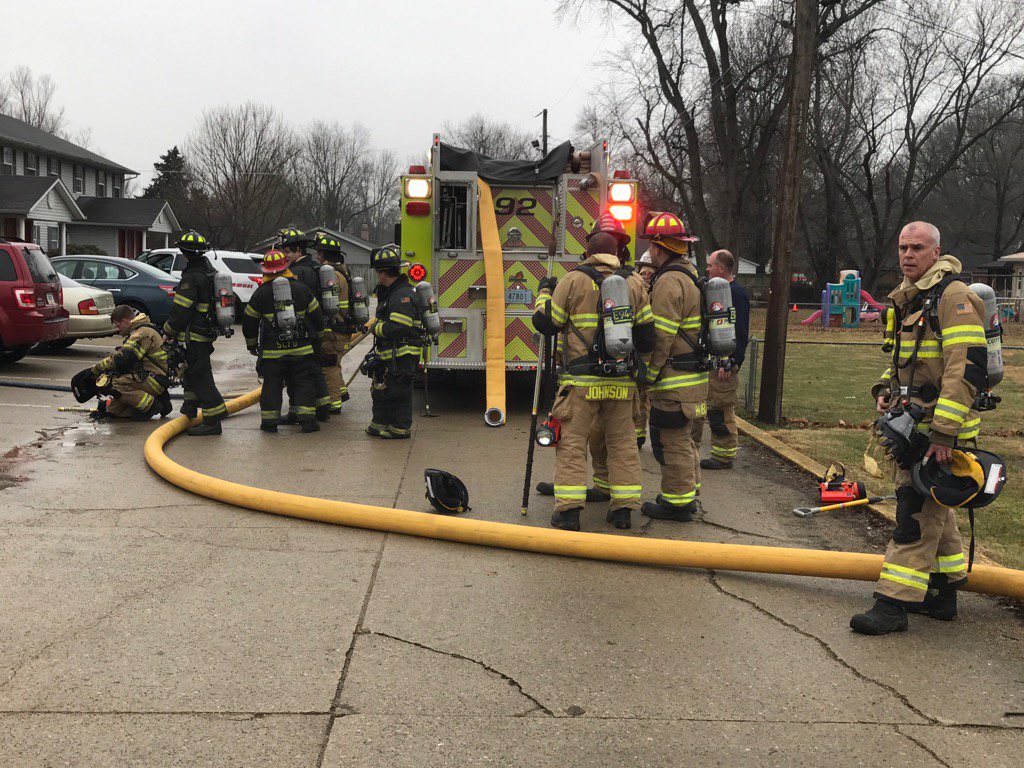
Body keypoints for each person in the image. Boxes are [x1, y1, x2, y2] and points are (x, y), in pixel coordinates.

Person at [850, 221, 987, 635]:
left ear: (936, 252)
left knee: (914, 515)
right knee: (934, 507)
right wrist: (885, 390)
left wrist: (944, 433)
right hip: (916, 425)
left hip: (939, 432)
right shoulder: (914, 297)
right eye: (903, 248)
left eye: (917, 248)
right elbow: (906, 362)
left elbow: (966, 369)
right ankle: (942, 594)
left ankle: (893, 603)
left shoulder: (953, 297)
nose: (908, 255)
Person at [532, 231, 655, 531]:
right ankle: (623, 511)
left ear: (588, 252)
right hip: (622, 382)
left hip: (581, 382)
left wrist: (544, 293)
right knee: (623, 445)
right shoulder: (634, 283)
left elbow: (547, 323)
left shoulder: (573, 280)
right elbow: (647, 339)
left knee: (572, 444)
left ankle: (568, 513)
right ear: (617, 254)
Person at [639, 212, 708, 522]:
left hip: (674, 379)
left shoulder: (669, 281)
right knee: (684, 438)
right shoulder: (691, 274)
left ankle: (677, 504)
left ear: (658, 247)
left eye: (651, 246)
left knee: (672, 441)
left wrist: (648, 375)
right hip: (692, 376)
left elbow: (661, 336)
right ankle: (686, 494)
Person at [242, 250, 325, 433]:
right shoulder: (301, 289)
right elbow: (317, 316)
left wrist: (251, 344)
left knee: (272, 385)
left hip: (273, 354)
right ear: (285, 267)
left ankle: (269, 423)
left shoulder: (261, 293)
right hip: (301, 350)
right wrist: (318, 337)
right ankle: (308, 422)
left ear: (265, 270)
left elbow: (249, 321)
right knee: (303, 383)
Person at [162, 230, 227, 436]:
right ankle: (189, 407)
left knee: (201, 377)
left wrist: (167, 330)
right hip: (204, 333)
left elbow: (181, 310)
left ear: (184, 253)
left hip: (194, 337)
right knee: (191, 372)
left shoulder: (191, 277)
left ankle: (213, 421)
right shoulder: (209, 272)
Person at [693, 249, 750, 470]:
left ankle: (724, 456)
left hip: (725, 364)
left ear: (722, 268)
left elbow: (741, 331)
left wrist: (732, 361)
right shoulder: (716, 292)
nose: (707, 269)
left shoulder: (735, 294)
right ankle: (719, 452)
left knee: (721, 410)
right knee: (713, 407)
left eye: (711, 265)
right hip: (714, 360)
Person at [365, 244, 425, 439]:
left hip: (403, 352)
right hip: (391, 352)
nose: (377, 277)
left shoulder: (402, 295)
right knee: (383, 388)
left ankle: (400, 428)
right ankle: (380, 424)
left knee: (399, 391)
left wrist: (376, 328)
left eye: (377, 273)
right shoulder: (392, 292)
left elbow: (400, 327)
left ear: (383, 274)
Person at [279, 228, 333, 422]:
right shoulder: (315, 268)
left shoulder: (296, 272)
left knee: (296, 374)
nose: (285, 256)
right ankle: (322, 408)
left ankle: (297, 412)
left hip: (301, 330)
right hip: (315, 328)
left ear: (299, 250)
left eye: (288, 251)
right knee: (314, 370)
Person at [89, 305, 172, 420]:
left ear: (124, 321)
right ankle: (161, 401)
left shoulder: (142, 333)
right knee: (113, 411)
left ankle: (152, 405)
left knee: (112, 384)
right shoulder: (141, 330)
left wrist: (96, 369)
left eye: (118, 326)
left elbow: (123, 358)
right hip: (150, 377)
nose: (118, 330)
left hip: (153, 380)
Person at [313, 232, 355, 413]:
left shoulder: (330, 276)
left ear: (324, 255)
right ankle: (341, 392)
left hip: (333, 330)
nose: (317, 257)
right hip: (341, 328)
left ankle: (333, 404)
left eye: (319, 253)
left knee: (329, 366)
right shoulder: (342, 272)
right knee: (334, 364)